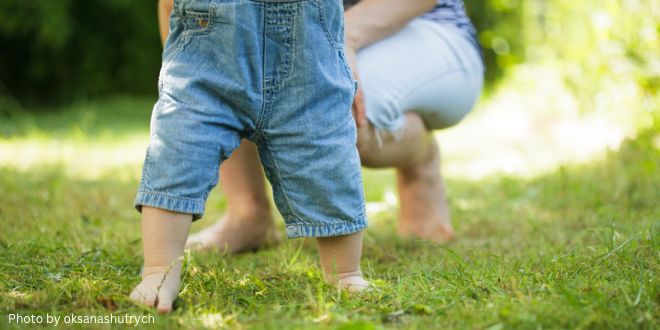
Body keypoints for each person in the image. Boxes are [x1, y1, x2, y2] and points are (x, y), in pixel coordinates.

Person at [183, 0, 484, 252]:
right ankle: (248, 213)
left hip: (426, 26)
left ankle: (420, 155)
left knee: (333, 112)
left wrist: (341, 38)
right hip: (313, 32)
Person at [130, 0, 371, 314]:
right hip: (208, 55)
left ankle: (344, 272)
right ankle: (159, 269)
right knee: (179, 149)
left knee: (326, 156)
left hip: (307, 58)